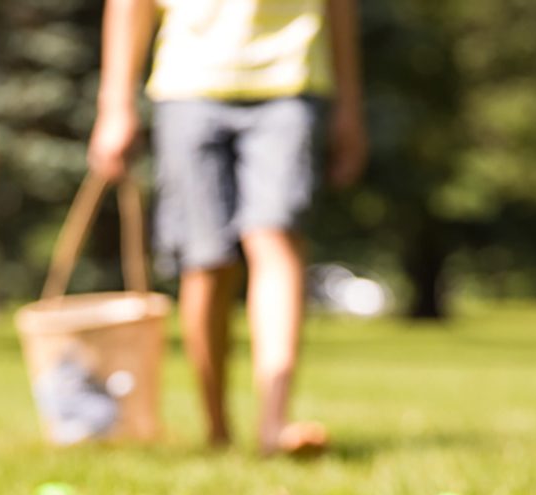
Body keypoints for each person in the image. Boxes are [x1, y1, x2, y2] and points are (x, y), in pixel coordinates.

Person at [88, 0, 368, 455]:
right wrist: (115, 104)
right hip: (188, 83)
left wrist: (349, 107)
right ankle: (217, 425)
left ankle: (273, 423)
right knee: (206, 261)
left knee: (274, 236)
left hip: (289, 80)